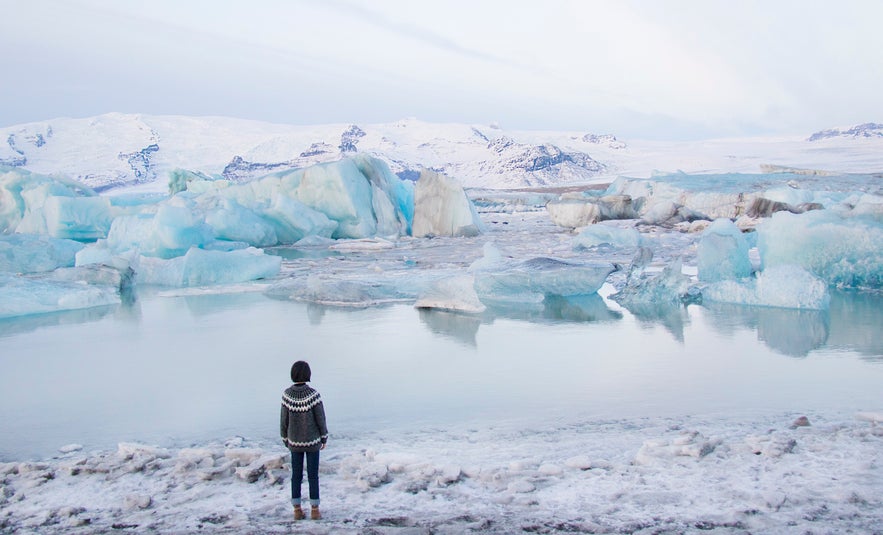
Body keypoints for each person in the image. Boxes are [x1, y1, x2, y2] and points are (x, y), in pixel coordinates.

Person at [280, 360, 328, 521]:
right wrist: (324, 436)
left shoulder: (287, 395)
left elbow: (283, 420)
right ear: (308, 375)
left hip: (294, 442)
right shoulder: (313, 395)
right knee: (313, 476)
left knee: (296, 475)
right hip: (312, 441)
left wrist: (285, 438)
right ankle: (315, 510)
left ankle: (297, 510)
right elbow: (320, 418)